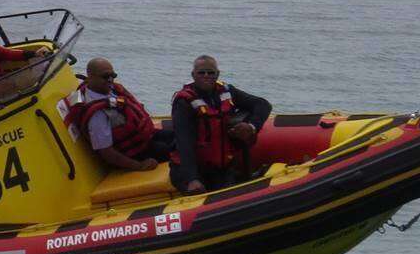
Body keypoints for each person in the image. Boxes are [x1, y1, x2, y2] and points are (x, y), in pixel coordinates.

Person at [168, 55, 273, 193]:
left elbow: (262, 104)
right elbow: (184, 143)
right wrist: (192, 178)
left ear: (217, 74)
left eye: (211, 72)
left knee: (232, 193)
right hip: (190, 170)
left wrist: (251, 126)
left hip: (220, 169)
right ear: (193, 75)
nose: (206, 76)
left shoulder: (226, 91)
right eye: (201, 72)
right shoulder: (184, 102)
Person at [66, 58, 171, 172]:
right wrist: (139, 166)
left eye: (113, 75)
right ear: (90, 76)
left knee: (179, 135)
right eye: (105, 76)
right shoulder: (97, 116)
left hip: (142, 137)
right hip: (132, 152)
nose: (110, 80)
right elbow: (106, 152)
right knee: (174, 148)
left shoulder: (108, 90)